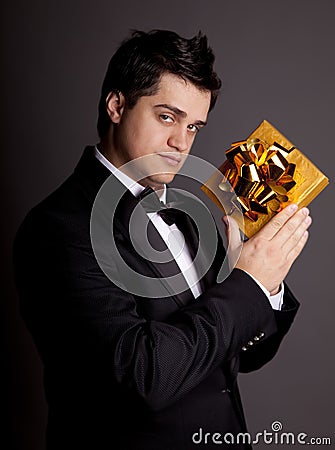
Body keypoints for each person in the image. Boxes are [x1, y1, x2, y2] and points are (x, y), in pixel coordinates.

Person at [13, 30, 311, 450]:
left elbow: (240, 356)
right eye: (167, 117)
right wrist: (248, 284)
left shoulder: (187, 215)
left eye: (193, 126)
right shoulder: (57, 229)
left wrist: (268, 284)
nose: (181, 143)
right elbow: (143, 376)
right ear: (117, 106)